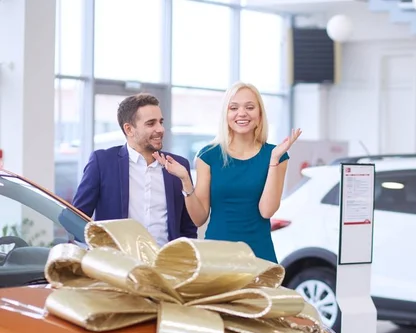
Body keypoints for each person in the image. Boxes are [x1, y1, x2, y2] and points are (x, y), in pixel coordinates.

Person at [154, 82, 300, 263]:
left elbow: (266, 211)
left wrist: (273, 161)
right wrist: (185, 180)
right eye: (233, 108)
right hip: (217, 256)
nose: (242, 113)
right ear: (226, 114)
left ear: (260, 114)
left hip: (259, 256)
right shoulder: (208, 156)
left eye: (250, 107)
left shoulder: (276, 155)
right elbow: (199, 219)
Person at [72, 93, 197, 246]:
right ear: (129, 129)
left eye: (160, 122)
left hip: (166, 264)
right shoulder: (103, 163)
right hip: (118, 264)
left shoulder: (178, 166)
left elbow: (188, 227)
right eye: (151, 123)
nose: (160, 129)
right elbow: (77, 219)